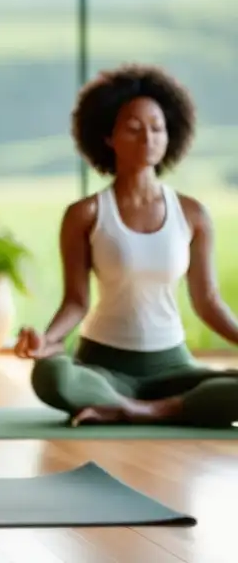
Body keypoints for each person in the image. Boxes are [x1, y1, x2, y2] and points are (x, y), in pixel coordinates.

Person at [15, 63, 238, 428]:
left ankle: (142, 410)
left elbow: (208, 301)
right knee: (51, 376)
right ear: (108, 137)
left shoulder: (193, 214)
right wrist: (47, 339)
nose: (148, 139)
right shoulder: (84, 214)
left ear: (171, 134)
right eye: (134, 129)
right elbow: (76, 301)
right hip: (103, 369)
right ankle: (149, 406)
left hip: (173, 367)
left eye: (157, 128)